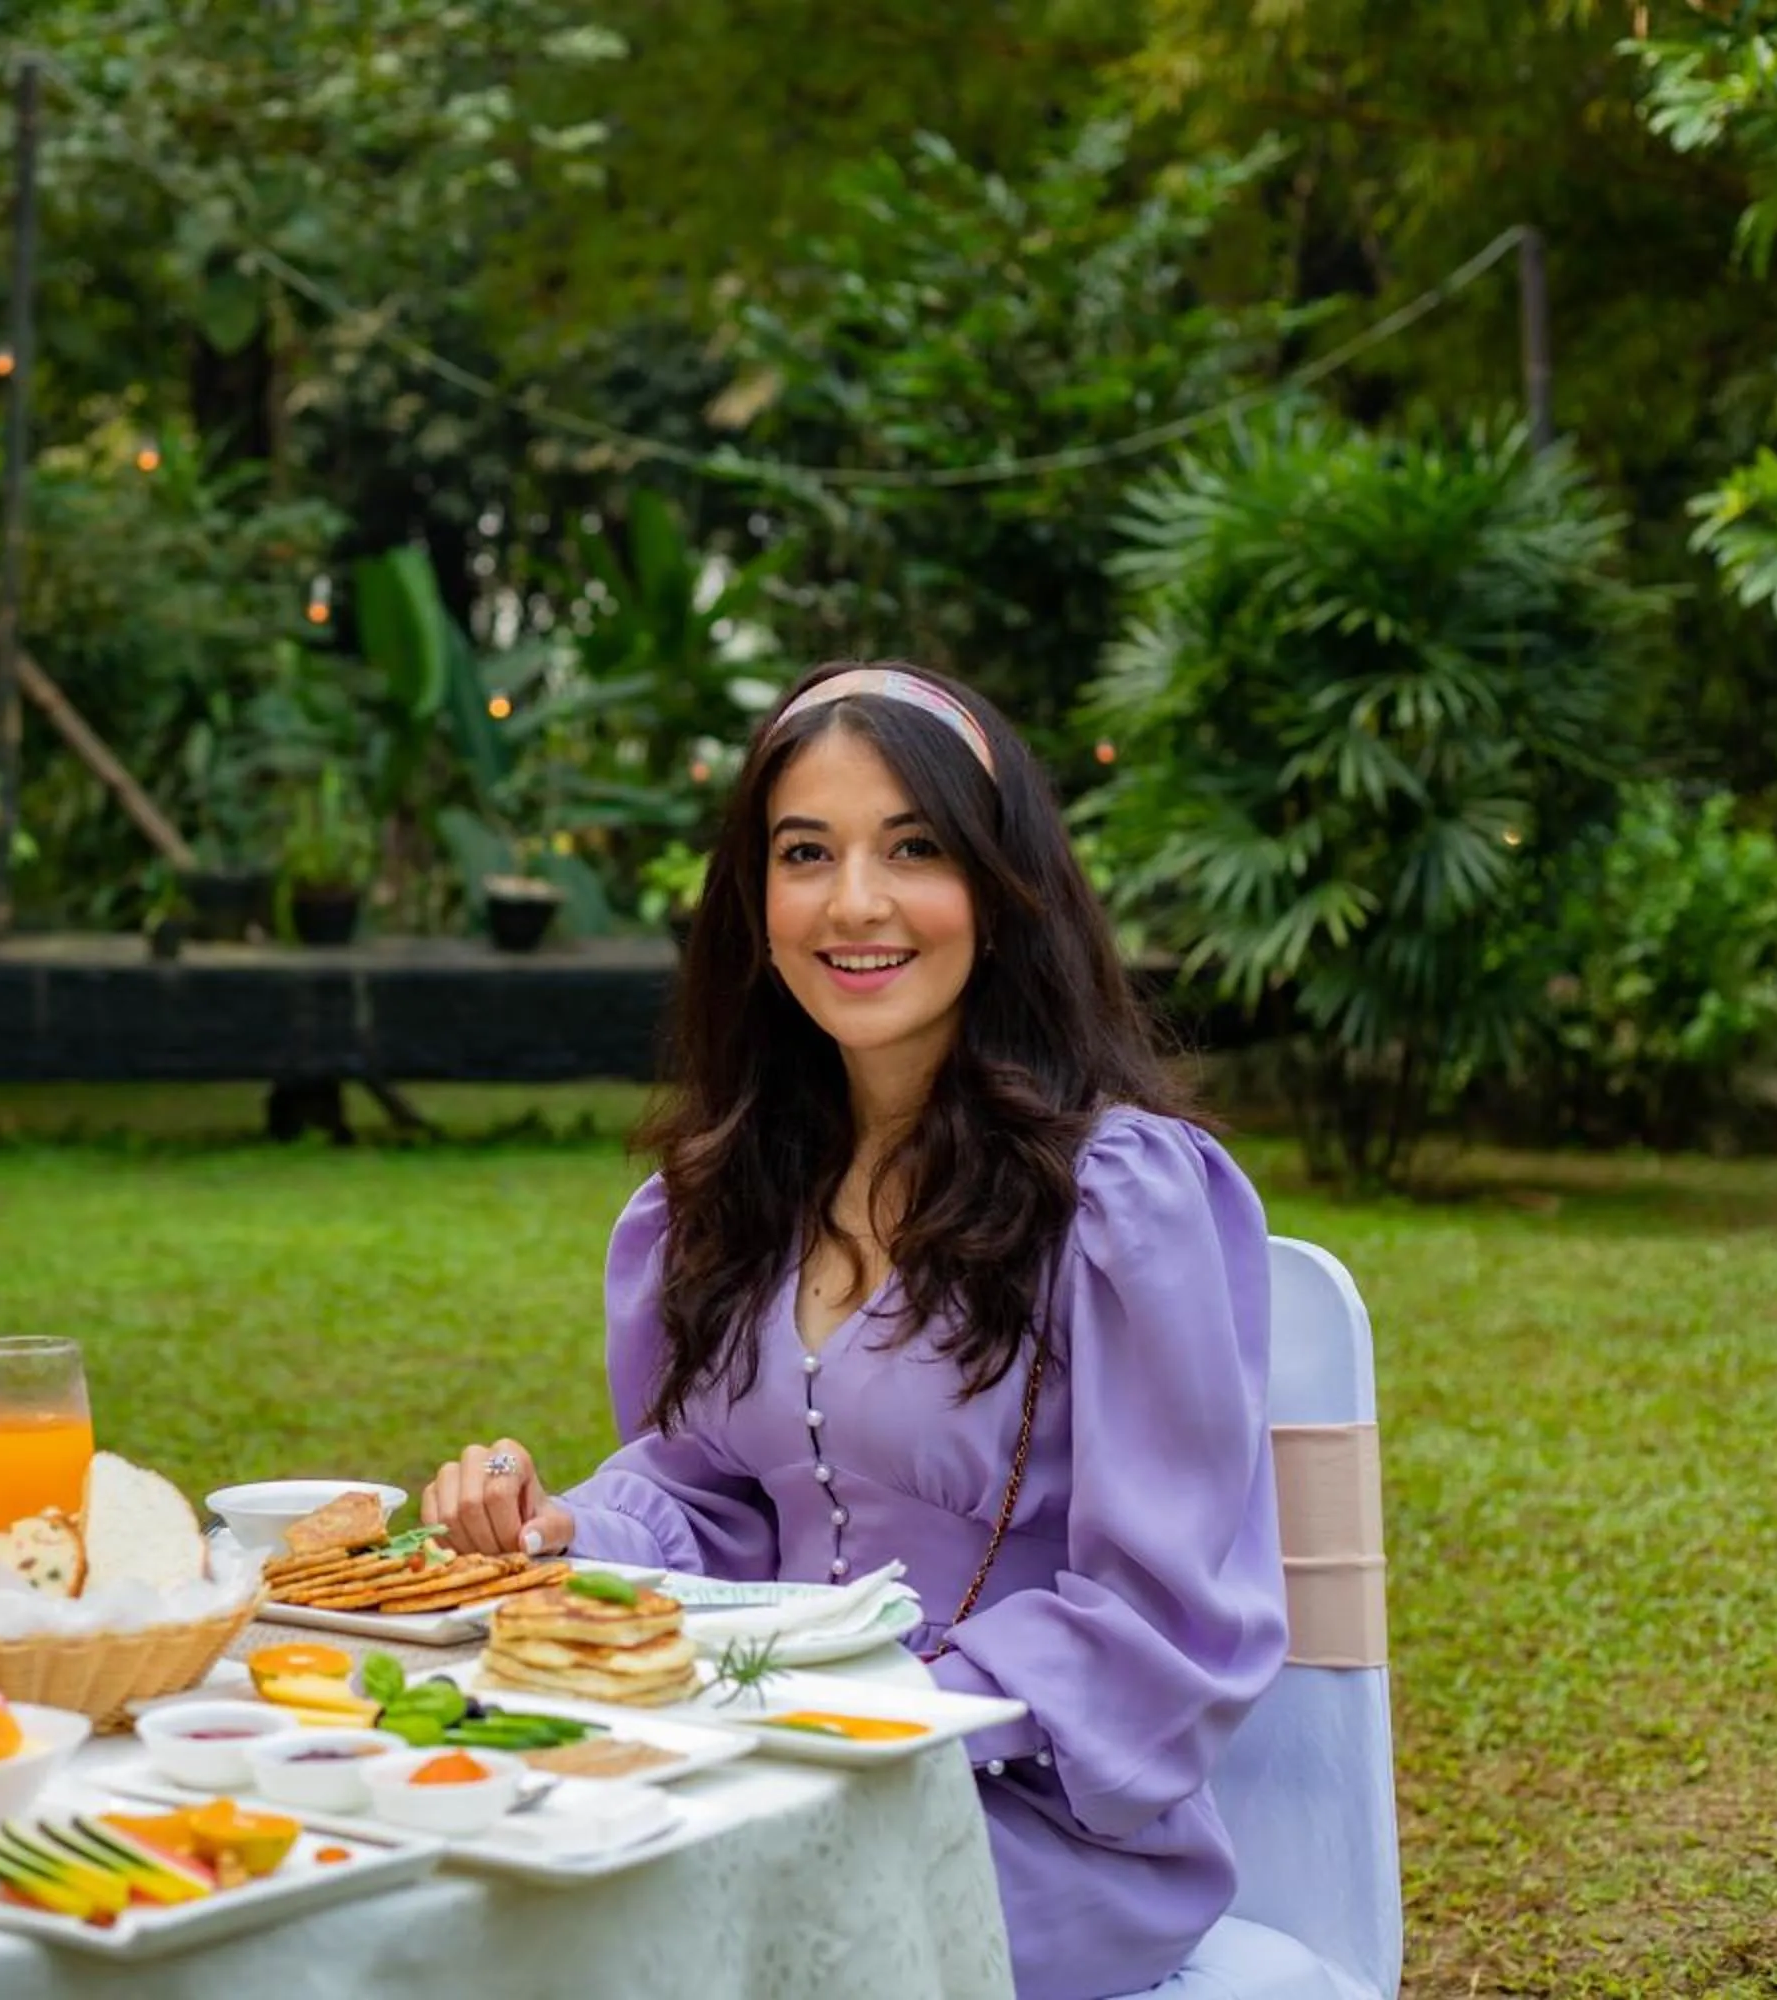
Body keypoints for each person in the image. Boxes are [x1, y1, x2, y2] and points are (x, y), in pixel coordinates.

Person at [422, 662, 1287, 2000]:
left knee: (620, 1928)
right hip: (764, 1778)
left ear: (1003, 894)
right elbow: (707, 1496)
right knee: (471, 1858)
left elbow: (1163, 1626)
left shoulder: (1122, 1200)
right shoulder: (718, 1200)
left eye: (916, 849)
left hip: (1028, 1832)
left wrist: (866, 1720)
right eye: (805, 853)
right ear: (754, 903)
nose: (856, 903)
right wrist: (562, 1536)